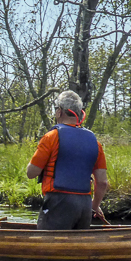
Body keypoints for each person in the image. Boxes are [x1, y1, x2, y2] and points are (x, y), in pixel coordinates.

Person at [25, 90, 109, 230]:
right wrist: (94, 206)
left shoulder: (51, 137)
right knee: (78, 243)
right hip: (84, 205)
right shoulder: (96, 143)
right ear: (80, 113)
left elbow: (31, 173)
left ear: (59, 112)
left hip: (58, 202)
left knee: (47, 242)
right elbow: (102, 182)